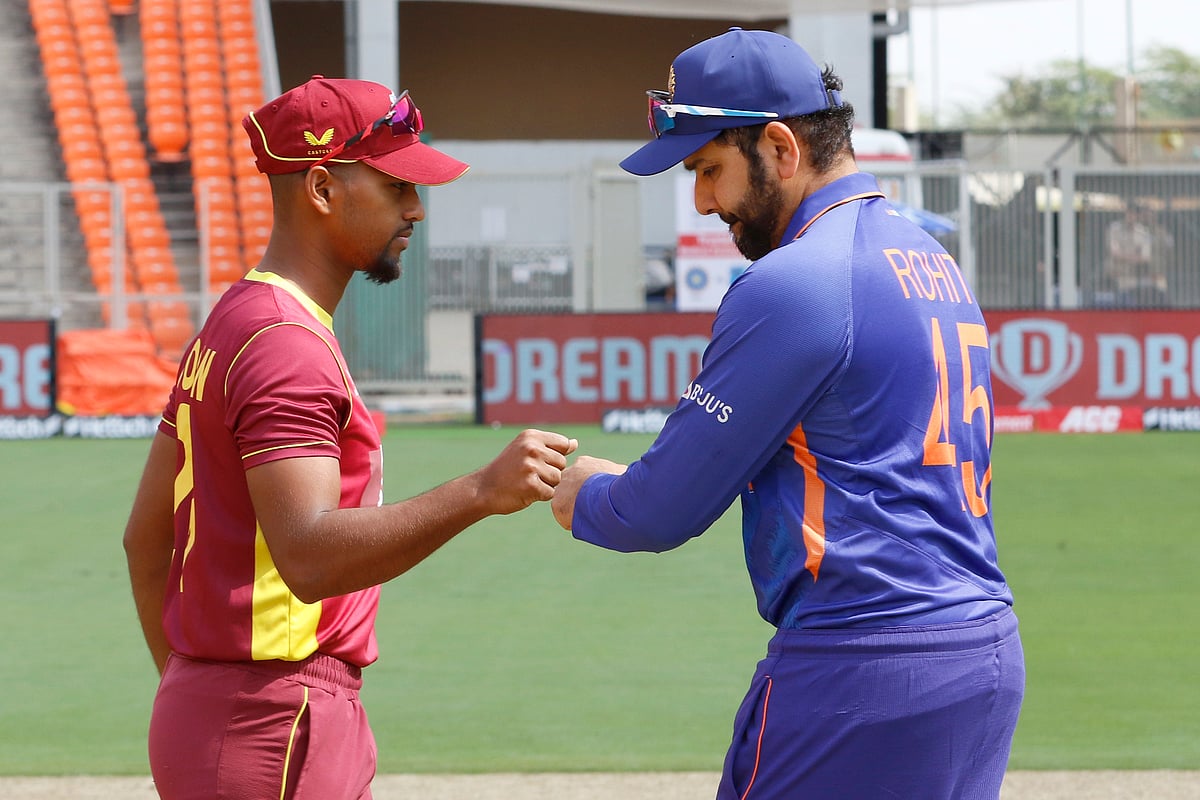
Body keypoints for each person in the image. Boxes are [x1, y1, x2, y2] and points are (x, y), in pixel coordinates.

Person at [551, 28, 1024, 799]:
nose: (703, 199)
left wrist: (588, 497)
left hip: (860, 672)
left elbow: (659, 511)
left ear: (779, 146)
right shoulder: (928, 258)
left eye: (709, 168)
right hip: (982, 655)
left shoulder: (796, 281)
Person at [123, 76, 577, 800]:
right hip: (276, 717)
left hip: (228, 712)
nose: (416, 209)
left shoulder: (236, 319)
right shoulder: (286, 342)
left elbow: (145, 542)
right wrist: (481, 491)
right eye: (397, 185)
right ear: (322, 188)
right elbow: (305, 553)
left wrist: (193, 690)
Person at [1105, 206, 1171, 307]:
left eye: (1135, 214)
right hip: (1118, 275)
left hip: (1137, 276)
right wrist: (1135, 255)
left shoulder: (1143, 231)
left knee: (1158, 293)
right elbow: (1114, 253)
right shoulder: (1114, 228)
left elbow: (1145, 257)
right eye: (1130, 213)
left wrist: (1124, 255)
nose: (1132, 216)